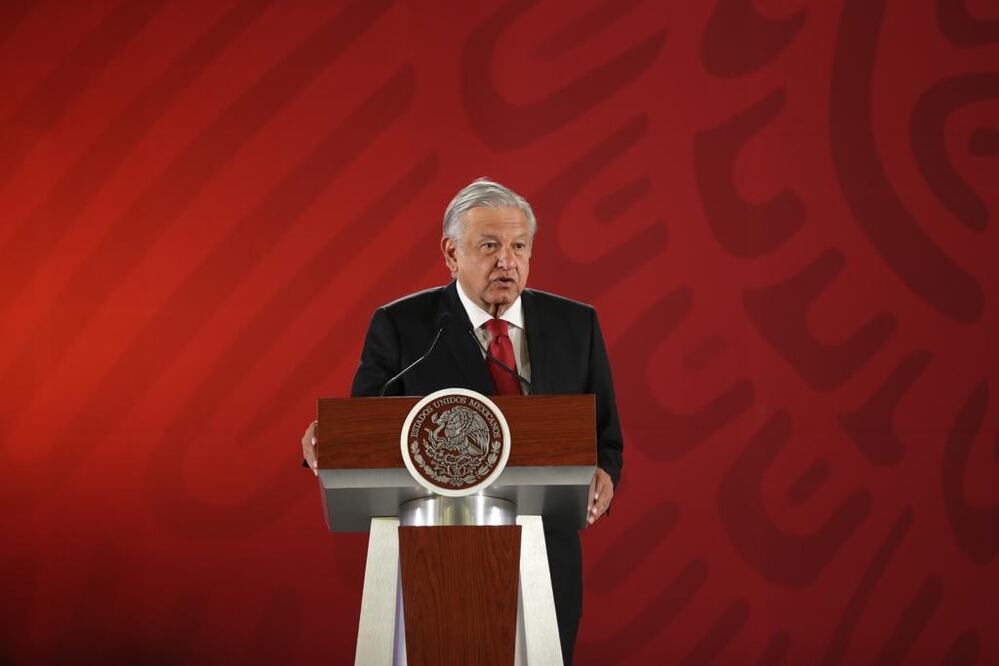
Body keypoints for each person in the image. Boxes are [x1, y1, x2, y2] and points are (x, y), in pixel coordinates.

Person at [301, 178, 623, 663]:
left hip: (546, 557)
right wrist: (325, 442)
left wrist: (605, 475)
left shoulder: (575, 324)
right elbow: (361, 432)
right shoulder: (404, 325)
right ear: (452, 253)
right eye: (489, 246)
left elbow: (605, 437)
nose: (507, 262)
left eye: (519, 246)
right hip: (434, 554)